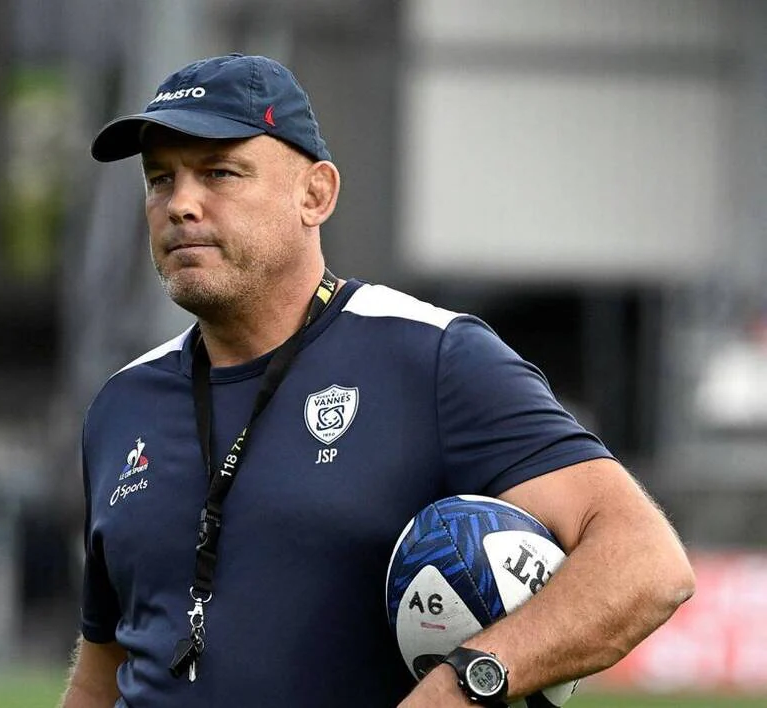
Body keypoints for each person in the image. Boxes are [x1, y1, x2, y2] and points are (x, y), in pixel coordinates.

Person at [61, 54, 694, 707]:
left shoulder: (433, 358)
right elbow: (102, 670)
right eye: (160, 179)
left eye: (220, 172)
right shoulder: (121, 404)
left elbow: (645, 563)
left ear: (316, 194)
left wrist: (465, 684)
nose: (181, 205)